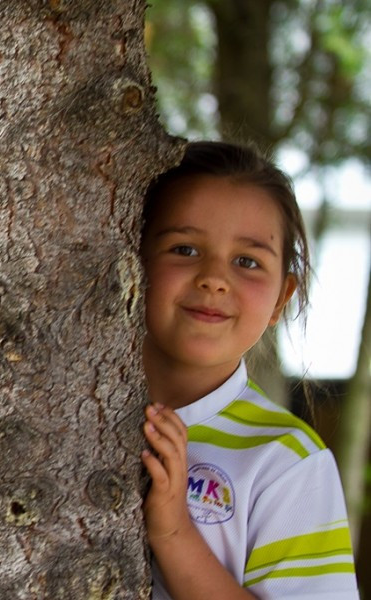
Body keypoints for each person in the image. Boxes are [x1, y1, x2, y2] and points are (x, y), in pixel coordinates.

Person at [140, 141, 359, 599]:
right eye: (184, 248)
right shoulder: (57, 408)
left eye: (247, 261)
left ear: (281, 298)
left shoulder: (287, 462)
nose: (214, 278)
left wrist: (174, 533)